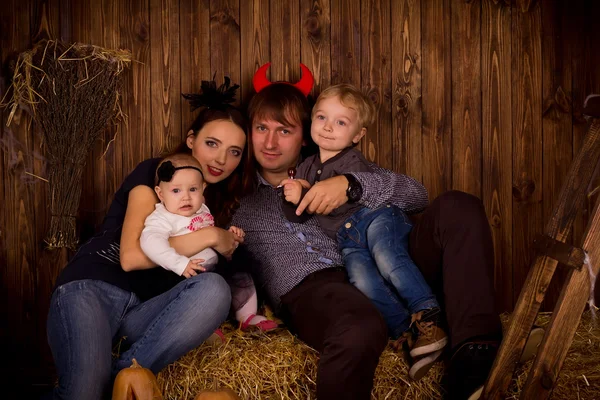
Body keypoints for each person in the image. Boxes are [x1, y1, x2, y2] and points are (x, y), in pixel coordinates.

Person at [221, 64, 502, 400]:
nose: (269, 142)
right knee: (359, 326)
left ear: (304, 133)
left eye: (284, 130)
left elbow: (417, 196)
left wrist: (352, 186)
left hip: (387, 261)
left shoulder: (334, 167)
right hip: (315, 287)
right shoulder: (233, 196)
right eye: (261, 128)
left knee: (459, 206)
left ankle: (473, 359)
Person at [46, 77, 253, 400]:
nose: (220, 159)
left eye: (234, 152)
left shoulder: (212, 208)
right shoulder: (155, 174)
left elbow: (196, 287)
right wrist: (210, 236)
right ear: (190, 140)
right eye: (212, 143)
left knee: (214, 289)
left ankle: (127, 374)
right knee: (84, 394)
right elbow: (131, 258)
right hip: (94, 290)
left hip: (141, 312)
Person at [280, 83, 448, 380]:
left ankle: (428, 314)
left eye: (341, 122)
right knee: (362, 281)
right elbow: (303, 209)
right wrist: (296, 193)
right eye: (321, 118)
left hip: (375, 218)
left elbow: (370, 188)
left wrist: (345, 185)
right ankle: (406, 333)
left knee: (386, 256)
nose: (328, 127)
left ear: (358, 135)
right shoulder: (306, 165)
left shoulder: (353, 162)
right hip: (347, 238)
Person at [140, 152, 277, 331]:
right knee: (194, 297)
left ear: (203, 188)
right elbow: (150, 243)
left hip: (212, 266)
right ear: (160, 193)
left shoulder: (201, 207)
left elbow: (210, 233)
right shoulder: (162, 217)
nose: (186, 197)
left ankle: (246, 315)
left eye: (193, 189)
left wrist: (230, 236)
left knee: (240, 269)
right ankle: (205, 328)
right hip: (180, 272)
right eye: (176, 191)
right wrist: (180, 264)